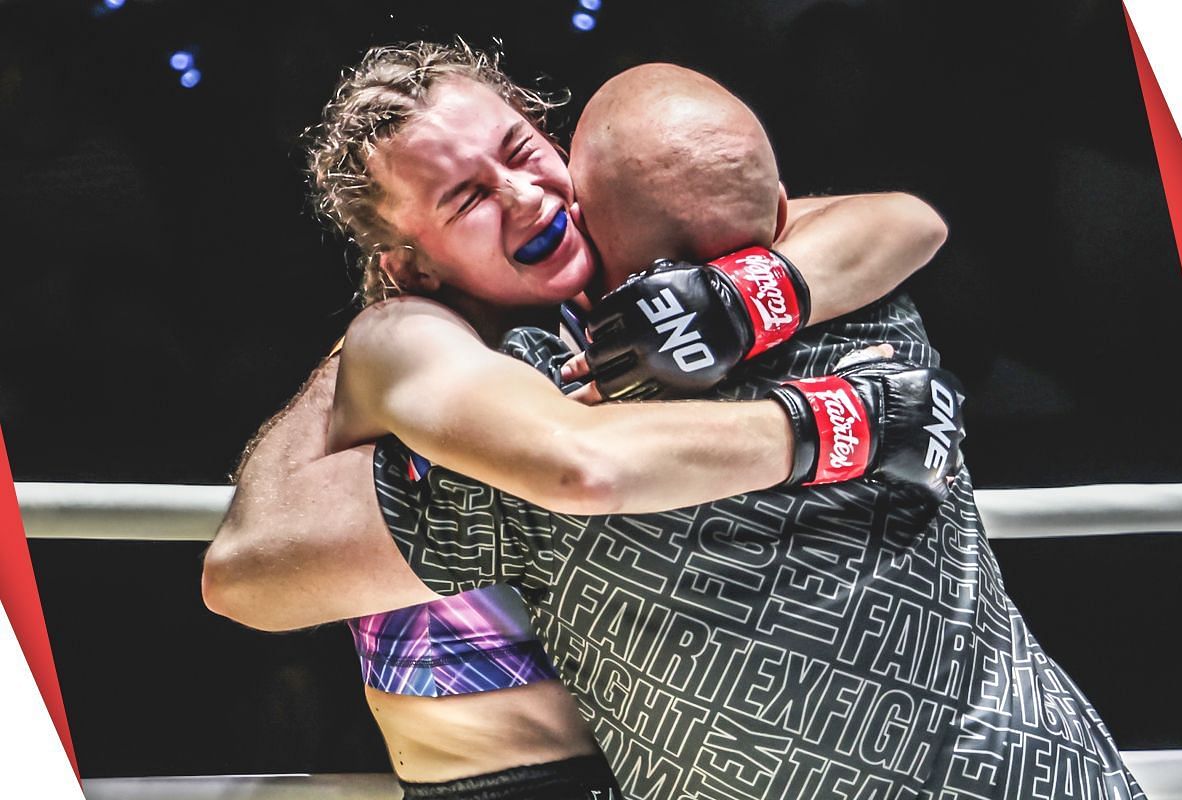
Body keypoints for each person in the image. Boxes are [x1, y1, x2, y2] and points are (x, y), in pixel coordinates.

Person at [200, 46, 981, 800]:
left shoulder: (632, 289)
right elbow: (245, 575)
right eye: (466, 198)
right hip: (501, 780)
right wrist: (848, 424)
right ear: (412, 264)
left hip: (645, 763)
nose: (522, 195)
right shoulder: (407, 344)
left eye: (519, 148)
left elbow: (902, 222)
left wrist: (746, 300)